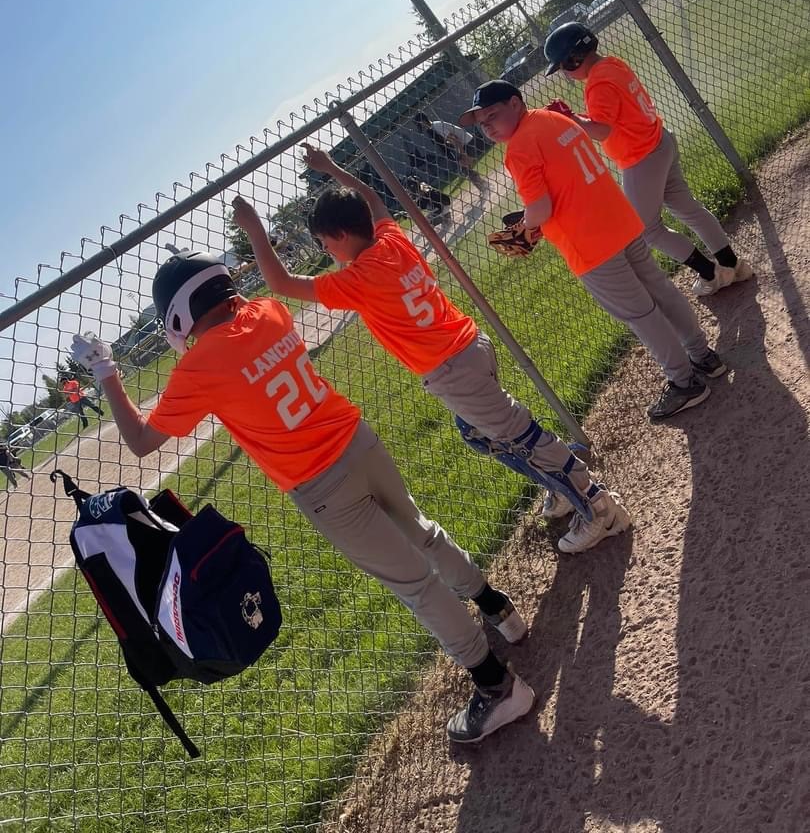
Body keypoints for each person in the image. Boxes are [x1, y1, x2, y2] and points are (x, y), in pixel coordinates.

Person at [71, 252, 534, 745]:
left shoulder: (199, 367)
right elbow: (241, 322)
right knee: (420, 529)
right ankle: (498, 609)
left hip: (321, 483)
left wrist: (106, 371)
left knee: (414, 585)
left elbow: (142, 441)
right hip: (357, 439)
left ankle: (495, 685)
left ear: (180, 317)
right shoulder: (269, 311)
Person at [232, 147, 631, 550]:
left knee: (522, 434)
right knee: (476, 432)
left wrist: (254, 230)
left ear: (340, 235)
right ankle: (561, 486)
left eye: (325, 243)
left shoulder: (357, 280)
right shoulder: (391, 238)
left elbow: (282, 285)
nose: (328, 253)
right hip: (470, 346)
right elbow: (372, 198)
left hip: (452, 370)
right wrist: (332, 169)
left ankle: (598, 507)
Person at [457, 80, 727, 423]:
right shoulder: (553, 119)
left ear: (515, 103)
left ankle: (685, 382)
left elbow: (540, 208)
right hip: (620, 221)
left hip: (591, 244)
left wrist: (526, 224)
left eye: (492, 115)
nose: (488, 126)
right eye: (482, 123)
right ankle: (703, 355)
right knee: (660, 288)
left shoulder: (520, 148)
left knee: (640, 313)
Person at [542, 23, 753, 298]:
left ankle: (711, 274)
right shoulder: (612, 64)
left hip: (641, 159)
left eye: (564, 67)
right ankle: (732, 265)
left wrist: (568, 119)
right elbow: (613, 115)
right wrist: (577, 117)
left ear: (575, 58)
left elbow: (602, 130)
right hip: (660, 142)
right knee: (689, 209)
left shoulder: (597, 83)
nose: (566, 75)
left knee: (646, 230)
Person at [414, 110, 487, 190]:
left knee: (465, 169)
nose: (422, 127)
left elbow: (456, 139)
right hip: (466, 144)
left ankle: (484, 187)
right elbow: (452, 140)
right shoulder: (434, 127)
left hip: (468, 143)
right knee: (465, 169)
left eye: (421, 124)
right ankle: (483, 185)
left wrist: (462, 154)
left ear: (424, 121)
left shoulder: (437, 126)